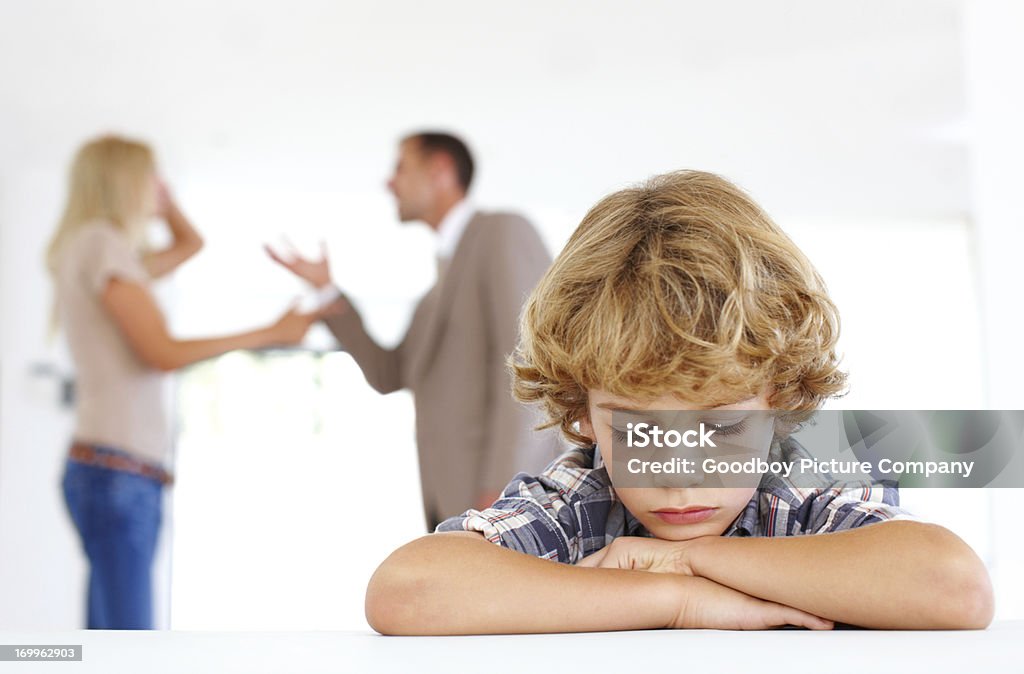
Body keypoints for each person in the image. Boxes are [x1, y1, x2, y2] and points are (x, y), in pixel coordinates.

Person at [363, 170, 994, 634]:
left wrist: (685, 560)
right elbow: (411, 591)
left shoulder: (810, 478)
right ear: (583, 412)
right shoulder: (583, 498)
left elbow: (953, 587)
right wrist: (677, 599)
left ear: (773, 398)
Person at [47, 135, 322, 629]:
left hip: (110, 471)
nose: (162, 187)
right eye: (151, 176)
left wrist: (165, 203)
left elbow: (191, 244)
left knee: (108, 644)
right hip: (119, 474)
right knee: (129, 648)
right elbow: (161, 353)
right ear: (124, 181)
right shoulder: (102, 244)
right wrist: (271, 332)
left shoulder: (95, 248)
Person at [268, 131, 560, 529]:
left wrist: (505, 491)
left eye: (400, 167)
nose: (390, 182)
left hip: (499, 504)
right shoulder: (433, 297)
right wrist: (326, 291)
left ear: (440, 170)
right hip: (453, 505)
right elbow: (388, 374)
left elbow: (534, 364)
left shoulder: (502, 231)